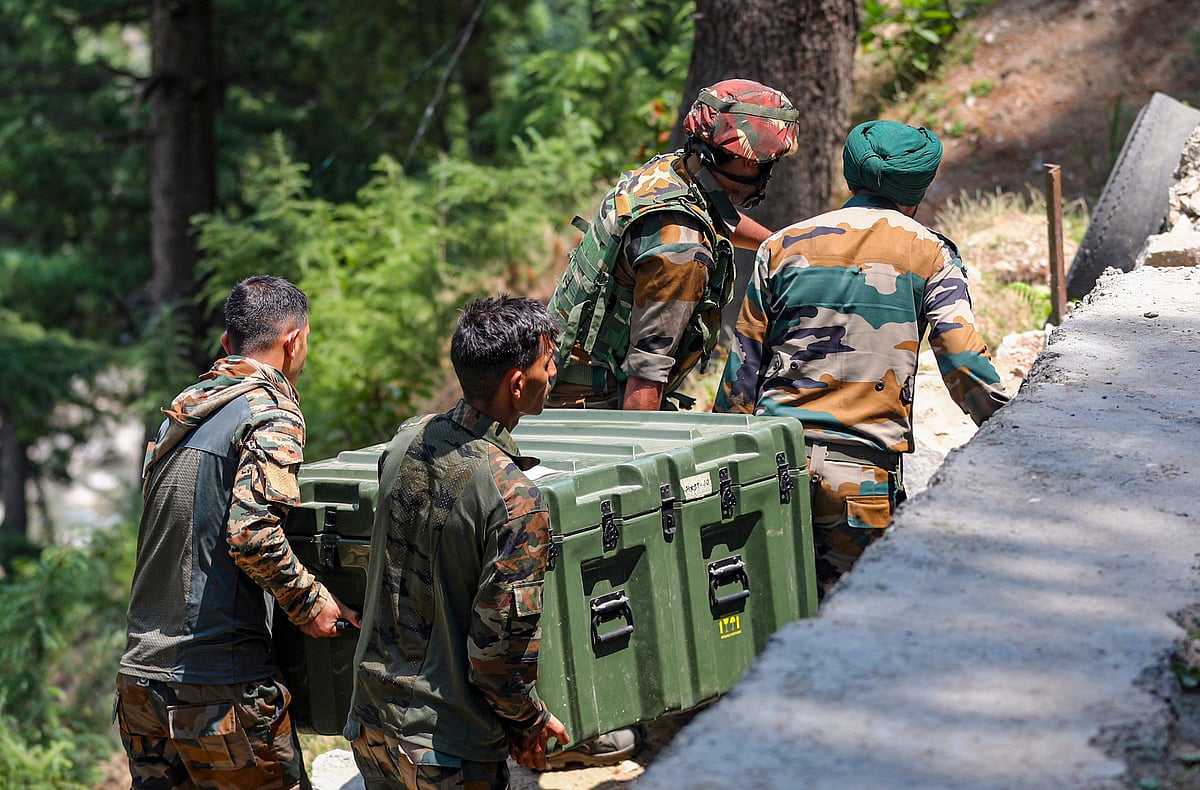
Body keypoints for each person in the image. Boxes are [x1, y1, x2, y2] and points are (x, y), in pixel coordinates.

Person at [714, 120, 1011, 596]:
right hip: (859, 478)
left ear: (851, 175)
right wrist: (1010, 427)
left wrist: (723, 465)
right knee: (851, 621)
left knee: (770, 617)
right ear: (918, 187)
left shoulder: (781, 245)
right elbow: (962, 362)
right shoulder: (931, 253)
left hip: (770, 465)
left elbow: (741, 375)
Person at [115, 274, 361, 788]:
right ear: (294, 341)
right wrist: (312, 604)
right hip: (217, 684)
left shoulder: (180, 414)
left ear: (227, 344)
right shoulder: (269, 410)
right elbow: (250, 532)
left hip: (142, 683)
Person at [347, 295, 570, 789]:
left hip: (372, 724)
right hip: (447, 748)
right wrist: (530, 722)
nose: (553, 371)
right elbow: (496, 658)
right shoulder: (516, 498)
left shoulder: (406, 440)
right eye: (547, 361)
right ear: (517, 383)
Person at [546, 77, 801, 412]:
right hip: (590, 410)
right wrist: (643, 459)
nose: (766, 173)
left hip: (560, 382)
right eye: (766, 163)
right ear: (748, 161)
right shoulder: (680, 249)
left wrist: (777, 244)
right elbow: (646, 374)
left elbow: (717, 217)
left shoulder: (669, 173)